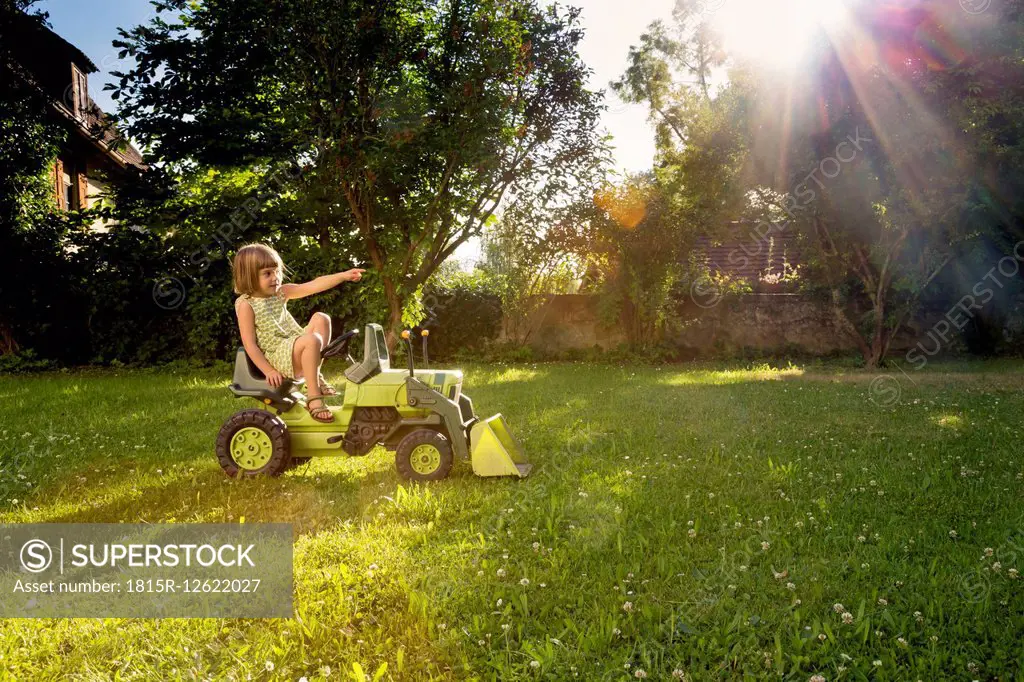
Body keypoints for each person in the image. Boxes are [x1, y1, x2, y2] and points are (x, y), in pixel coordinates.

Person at [232, 243, 365, 423]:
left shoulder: (280, 293)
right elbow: (250, 344)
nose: (275, 277)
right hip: (278, 357)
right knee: (311, 340)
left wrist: (343, 276)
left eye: (277, 271)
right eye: (267, 273)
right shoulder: (246, 304)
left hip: (293, 346)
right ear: (249, 277)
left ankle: (315, 373)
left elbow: (314, 285)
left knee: (321, 318)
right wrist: (269, 371)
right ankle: (314, 398)